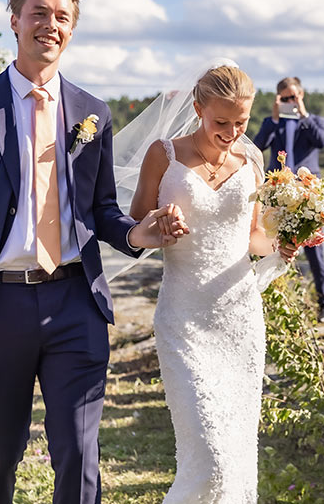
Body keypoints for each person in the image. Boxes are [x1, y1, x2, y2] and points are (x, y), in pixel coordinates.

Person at [0, 0, 186, 504]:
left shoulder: (93, 113)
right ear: (15, 21)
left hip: (77, 302)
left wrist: (140, 233)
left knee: (79, 454)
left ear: (73, 29)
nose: (51, 24)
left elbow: (103, 210)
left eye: (62, 16)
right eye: (40, 12)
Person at [129, 64, 298, 503]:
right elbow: (133, 226)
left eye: (241, 121)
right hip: (184, 318)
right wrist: (161, 223)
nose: (231, 131)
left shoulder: (253, 160)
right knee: (208, 457)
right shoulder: (163, 155)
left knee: (237, 456)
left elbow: (253, 239)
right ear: (198, 107)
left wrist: (284, 243)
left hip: (240, 319)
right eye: (221, 121)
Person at [254, 76, 324, 323]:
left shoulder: (314, 121)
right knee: (271, 247)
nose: (290, 101)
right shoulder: (272, 122)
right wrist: (275, 118)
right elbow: (257, 147)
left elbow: (322, 141)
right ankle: (274, 302)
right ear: (279, 99)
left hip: (307, 193)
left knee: (315, 251)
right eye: (285, 98)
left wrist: (302, 114)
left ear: (301, 95)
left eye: (294, 97)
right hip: (279, 192)